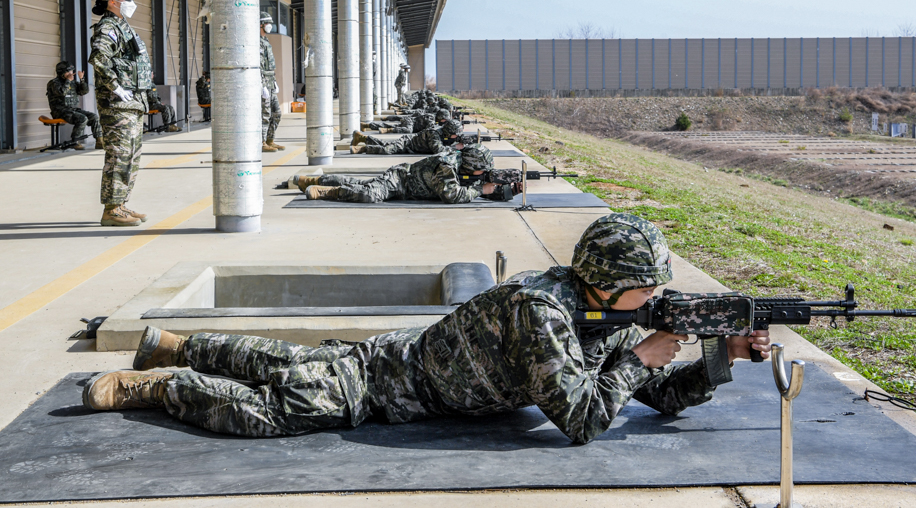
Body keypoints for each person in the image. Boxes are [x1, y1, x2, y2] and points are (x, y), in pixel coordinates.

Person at [81, 213, 770, 444]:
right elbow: (586, 420)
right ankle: (163, 383)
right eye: (648, 285)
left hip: (395, 364)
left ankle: (177, 341)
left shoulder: (606, 317)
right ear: (611, 279)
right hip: (385, 385)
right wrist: (643, 355)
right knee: (272, 406)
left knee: (282, 359)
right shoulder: (546, 313)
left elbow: (653, 395)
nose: (658, 296)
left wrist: (722, 356)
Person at [89, 0, 151, 227]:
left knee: (131, 156)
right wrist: (115, 86)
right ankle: (112, 210)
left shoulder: (121, 25)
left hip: (132, 103)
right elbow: (99, 58)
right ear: (113, 1)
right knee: (119, 155)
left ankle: (121, 203)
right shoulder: (107, 28)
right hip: (118, 105)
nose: (131, 2)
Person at [295, 143, 497, 204]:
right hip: (400, 181)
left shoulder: (460, 163)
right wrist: (481, 190)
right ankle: (325, 191)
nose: (482, 173)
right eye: (482, 168)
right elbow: (451, 195)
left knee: (360, 184)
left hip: (405, 184)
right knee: (369, 194)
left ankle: (315, 179)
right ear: (472, 163)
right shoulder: (447, 165)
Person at [46, 61, 103, 150]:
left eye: (71, 71)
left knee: (94, 117)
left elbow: (84, 91)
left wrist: (82, 79)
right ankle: (75, 141)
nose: (71, 74)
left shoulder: (73, 83)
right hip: (60, 111)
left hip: (73, 110)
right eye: (68, 72)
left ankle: (99, 141)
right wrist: (68, 81)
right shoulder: (53, 83)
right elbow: (62, 92)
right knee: (82, 118)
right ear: (61, 72)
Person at [348, 119, 463, 155]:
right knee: (387, 150)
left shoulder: (443, 134)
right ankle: (363, 149)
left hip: (410, 145)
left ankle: (362, 138)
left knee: (385, 144)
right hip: (407, 143)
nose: (456, 136)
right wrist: (455, 148)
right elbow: (438, 150)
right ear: (449, 131)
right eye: (456, 133)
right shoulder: (435, 134)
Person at [259, 13, 284, 152]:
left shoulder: (266, 41)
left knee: (276, 113)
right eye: (268, 23)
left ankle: (270, 139)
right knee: (265, 114)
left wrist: (273, 82)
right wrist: (262, 85)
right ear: (261, 24)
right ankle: (261, 142)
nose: (270, 25)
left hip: (270, 82)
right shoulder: (256, 42)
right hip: (262, 83)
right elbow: (258, 66)